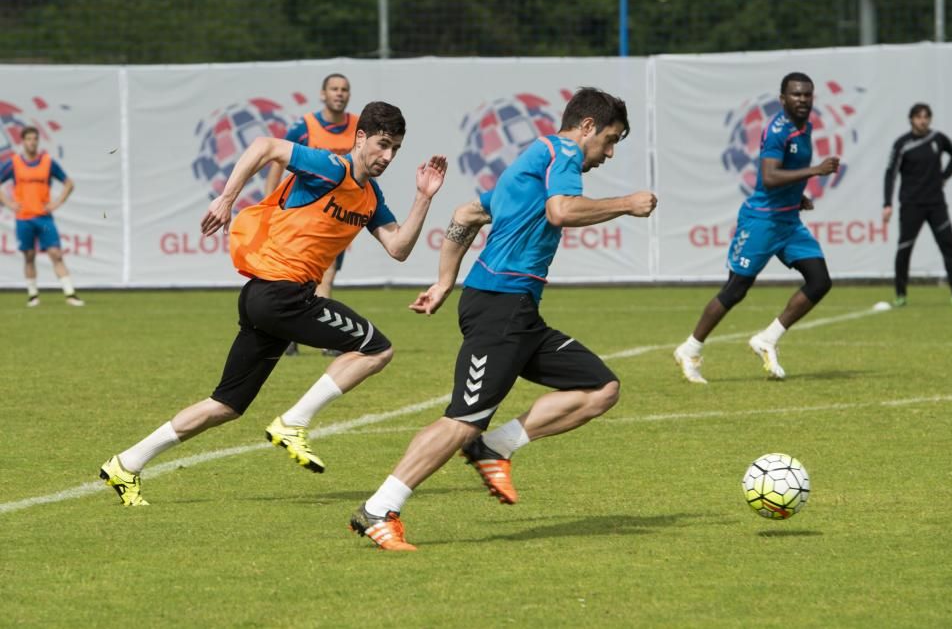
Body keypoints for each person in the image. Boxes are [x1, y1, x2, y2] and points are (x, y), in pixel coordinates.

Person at [349, 87, 657, 550]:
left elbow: (466, 214)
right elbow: (562, 210)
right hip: (500, 307)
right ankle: (379, 509)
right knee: (463, 419)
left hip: (515, 310)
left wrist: (443, 282)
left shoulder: (532, 160)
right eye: (610, 140)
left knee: (600, 388)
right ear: (588, 127)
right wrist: (626, 203)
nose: (610, 153)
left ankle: (497, 447)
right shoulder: (565, 152)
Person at [99, 101, 448, 506]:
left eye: (396, 150)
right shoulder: (331, 169)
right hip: (282, 293)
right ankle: (293, 422)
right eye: (383, 144)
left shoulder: (370, 197)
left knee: (226, 405)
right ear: (360, 138)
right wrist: (226, 199)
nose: (387, 156)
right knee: (377, 348)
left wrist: (424, 197)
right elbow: (265, 146)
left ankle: (126, 463)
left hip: (267, 300)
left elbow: (398, 247)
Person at [673, 72, 839, 384]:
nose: (802, 100)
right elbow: (770, 177)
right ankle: (689, 349)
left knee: (820, 281)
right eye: (796, 95)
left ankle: (767, 339)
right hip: (762, 220)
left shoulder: (806, 127)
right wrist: (816, 170)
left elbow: (784, 176)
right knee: (736, 290)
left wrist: (798, 197)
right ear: (783, 99)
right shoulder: (777, 131)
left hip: (788, 221)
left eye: (807, 95)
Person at [264, 73, 359, 355]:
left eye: (344, 89)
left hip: (337, 216)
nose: (339, 94)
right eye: (334, 89)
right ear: (322, 94)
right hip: (303, 213)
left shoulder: (358, 127)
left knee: (326, 276)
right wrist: (271, 203)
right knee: (297, 275)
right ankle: (291, 332)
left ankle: (323, 339)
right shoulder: (304, 127)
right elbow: (276, 158)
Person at [882, 103, 952, 307]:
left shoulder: (938, 139)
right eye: (918, 117)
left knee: (948, 246)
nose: (923, 120)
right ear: (911, 119)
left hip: (936, 204)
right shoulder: (902, 144)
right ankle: (901, 295)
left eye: (926, 117)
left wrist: (945, 176)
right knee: (904, 249)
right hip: (911, 205)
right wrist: (887, 203)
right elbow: (890, 173)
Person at [0, 126, 85, 306]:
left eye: (35, 139)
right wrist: (9, 203)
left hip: (44, 218)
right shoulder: (14, 163)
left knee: (56, 253)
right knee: (29, 256)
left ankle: (70, 294)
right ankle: (33, 295)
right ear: (22, 142)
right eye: (28, 139)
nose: (32, 142)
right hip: (24, 218)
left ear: (38, 141)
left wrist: (57, 202)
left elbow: (68, 183)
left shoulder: (47, 163)